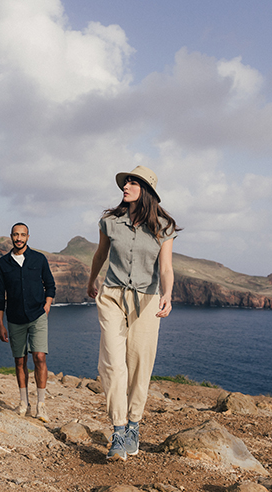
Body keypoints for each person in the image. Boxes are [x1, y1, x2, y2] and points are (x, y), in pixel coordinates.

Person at [87, 165, 180, 461]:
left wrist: (167, 293)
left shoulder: (164, 227)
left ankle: (134, 426)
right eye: (125, 181)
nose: (125, 186)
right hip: (112, 296)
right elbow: (101, 254)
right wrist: (92, 280)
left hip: (148, 300)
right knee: (113, 363)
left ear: (147, 191)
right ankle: (118, 430)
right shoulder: (110, 221)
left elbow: (165, 267)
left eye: (132, 182)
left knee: (140, 364)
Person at [0, 222, 56, 422]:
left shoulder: (39, 259)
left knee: (39, 357)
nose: (19, 238)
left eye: (22, 235)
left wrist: (47, 305)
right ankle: (23, 403)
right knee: (20, 361)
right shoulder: (3, 263)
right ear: (11, 236)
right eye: (15, 235)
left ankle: (41, 405)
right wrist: (0, 323)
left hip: (37, 316)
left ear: (28, 237)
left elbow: (50, 285)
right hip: (14, 319)